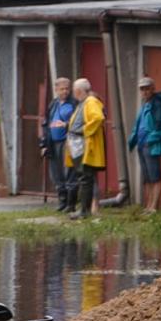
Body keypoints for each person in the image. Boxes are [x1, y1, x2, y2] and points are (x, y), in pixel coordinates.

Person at [67, 78, 107, 220]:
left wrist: (83, 130)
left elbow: (97, 118)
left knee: (85, 178)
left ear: (78, 91)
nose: (73, 93)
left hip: (85, 146)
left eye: (74, 90)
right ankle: (84, 209)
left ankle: (84, 210)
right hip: (79, 145)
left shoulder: (90, 102)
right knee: (83, 178)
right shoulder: (83, 103)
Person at [128, 76, 161, 212]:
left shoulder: (157, 105)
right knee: (148, 177)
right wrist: (133, 141)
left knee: (155, 176)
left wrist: (149, 140)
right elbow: (139, 125)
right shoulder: (145, 104)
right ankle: (149, 205)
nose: (144, 92)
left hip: (150, 145)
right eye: (142, 89)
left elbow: (160, 127)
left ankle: (154, 207)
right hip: (142, 144)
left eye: (147, 89)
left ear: (153, 89)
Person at [42, 77, 79, 213]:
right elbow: (45, 123)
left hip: (67, 141)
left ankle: (71, 203)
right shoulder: (53, 104)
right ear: (56, 89)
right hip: (53, 142)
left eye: (67, 89)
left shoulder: (74, 104)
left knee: (69, 171)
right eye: (62, 89)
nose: (65, 92)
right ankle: (62, 200)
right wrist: (44, 144)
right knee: (55, 173)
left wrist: (66, 124)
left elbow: (79, 121)